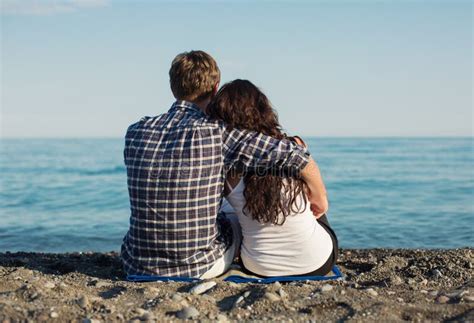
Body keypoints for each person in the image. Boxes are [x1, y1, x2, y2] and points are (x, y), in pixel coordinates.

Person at [120, 50, 326, 278]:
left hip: (136, 263)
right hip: (198, 267)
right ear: (216, 87)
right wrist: (320, 199)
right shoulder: (218, 133)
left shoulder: (135, 132)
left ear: (173, 87)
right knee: (232, 217)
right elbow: (298, 158)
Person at [207, 79, 338, 277]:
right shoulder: (294, 147)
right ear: (263, 110)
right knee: (316, 210)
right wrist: (320, 199)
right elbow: (315, 195)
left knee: (233, 210)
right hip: (316, 263)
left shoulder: (226, 166)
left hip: (259, 267)